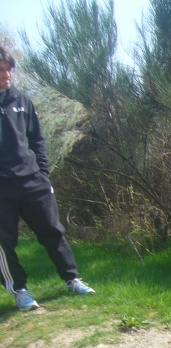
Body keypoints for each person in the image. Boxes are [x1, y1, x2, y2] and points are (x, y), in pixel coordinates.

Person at [0, 46, 94, 311]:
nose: (6, 74)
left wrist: (43, 174)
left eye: (9, 69)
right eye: (0, 69)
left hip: (32, 181)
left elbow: (37, 139)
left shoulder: (21, 100)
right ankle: (20, 290)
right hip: (1, 187)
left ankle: (72, 279)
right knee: (3, 242)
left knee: (53, 232)